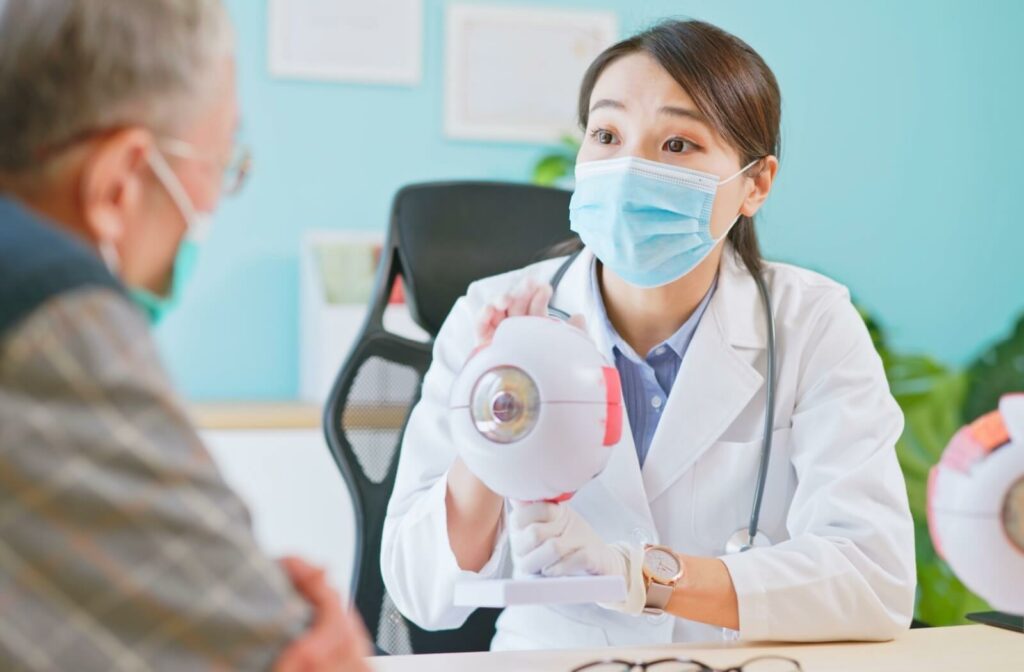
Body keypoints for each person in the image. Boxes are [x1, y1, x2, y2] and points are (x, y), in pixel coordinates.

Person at [381, 19, 916, 650]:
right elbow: (420, 594)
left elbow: (872, 579)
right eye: (606, 134)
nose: (630, 167)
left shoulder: (812, 323)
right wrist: (492, 416)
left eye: (679, 145)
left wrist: (642, 576)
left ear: (755, 183)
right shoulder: (494, 317)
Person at [0, 1, 369, 669]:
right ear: (118, 185)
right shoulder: (50, 312)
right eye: (221, 165)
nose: (208, 208)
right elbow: (274, 650)